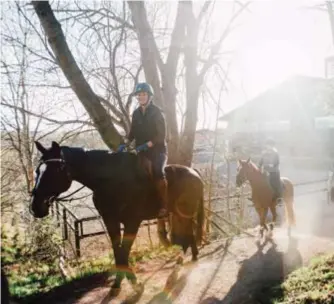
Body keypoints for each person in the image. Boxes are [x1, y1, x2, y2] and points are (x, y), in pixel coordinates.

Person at [117, 82, 168, 218]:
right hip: (141, 151)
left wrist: (147, 144)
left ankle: (164, 204)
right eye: (139, 95)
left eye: (143, 94)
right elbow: (132, 132)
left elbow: (161, 135)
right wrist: (126, 142)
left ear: (149, 96)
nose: (141, 97)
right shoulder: (136, 114)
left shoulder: (157, 112)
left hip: (157, 151)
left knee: (158, 172)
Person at [258, 138, 283, 203]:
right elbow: (260, 162)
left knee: (276, 183)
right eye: (268, 145)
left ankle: (279, 198)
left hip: (274, 171)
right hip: (265, 171)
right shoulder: (263, 153)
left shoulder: (275, 153)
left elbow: (277, 162)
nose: (268, 146)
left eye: (270, 145)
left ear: (272, 146)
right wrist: (259, 167)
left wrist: (271, 165)